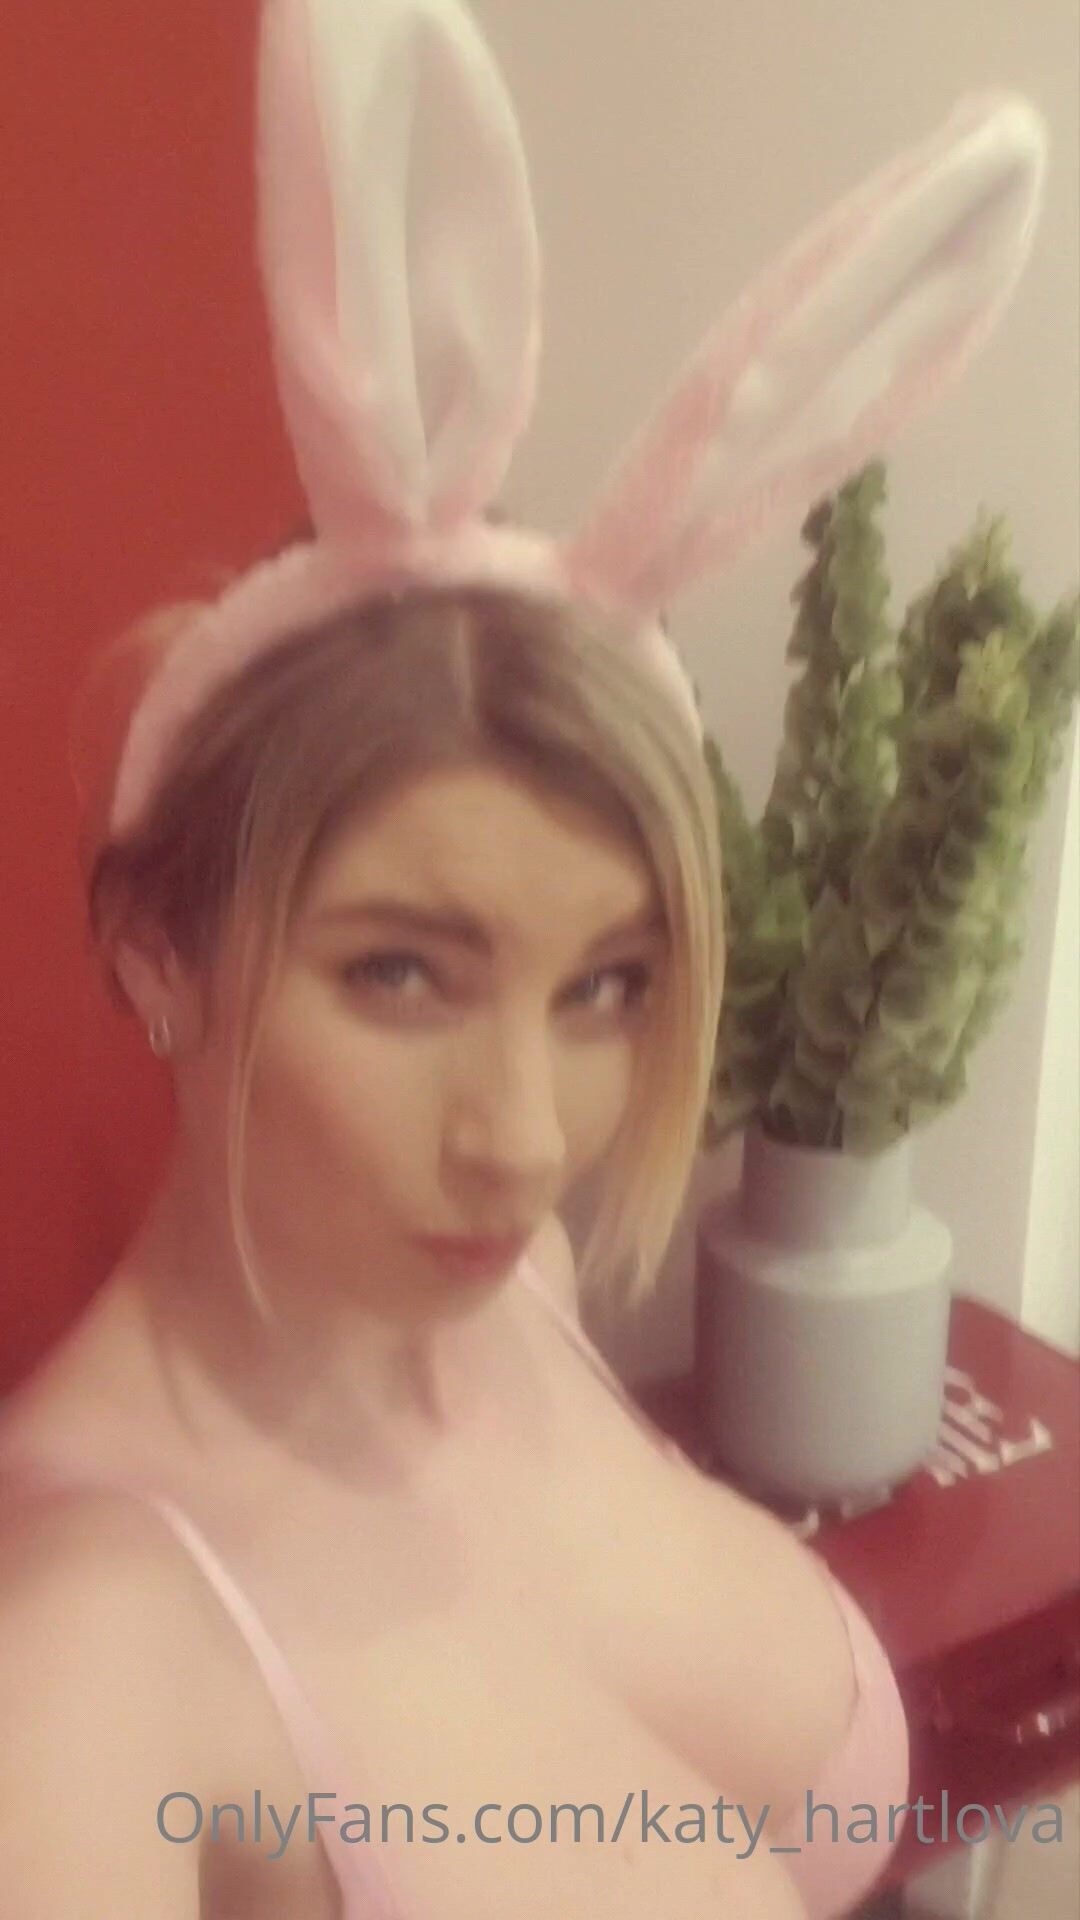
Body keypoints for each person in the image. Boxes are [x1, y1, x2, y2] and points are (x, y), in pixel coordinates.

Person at [0, 2, 1047, 1914]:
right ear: (161, 950)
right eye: (402, 974)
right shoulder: (87, 1669)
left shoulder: (518, 1295)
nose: (527, 1134)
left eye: (608, 987)